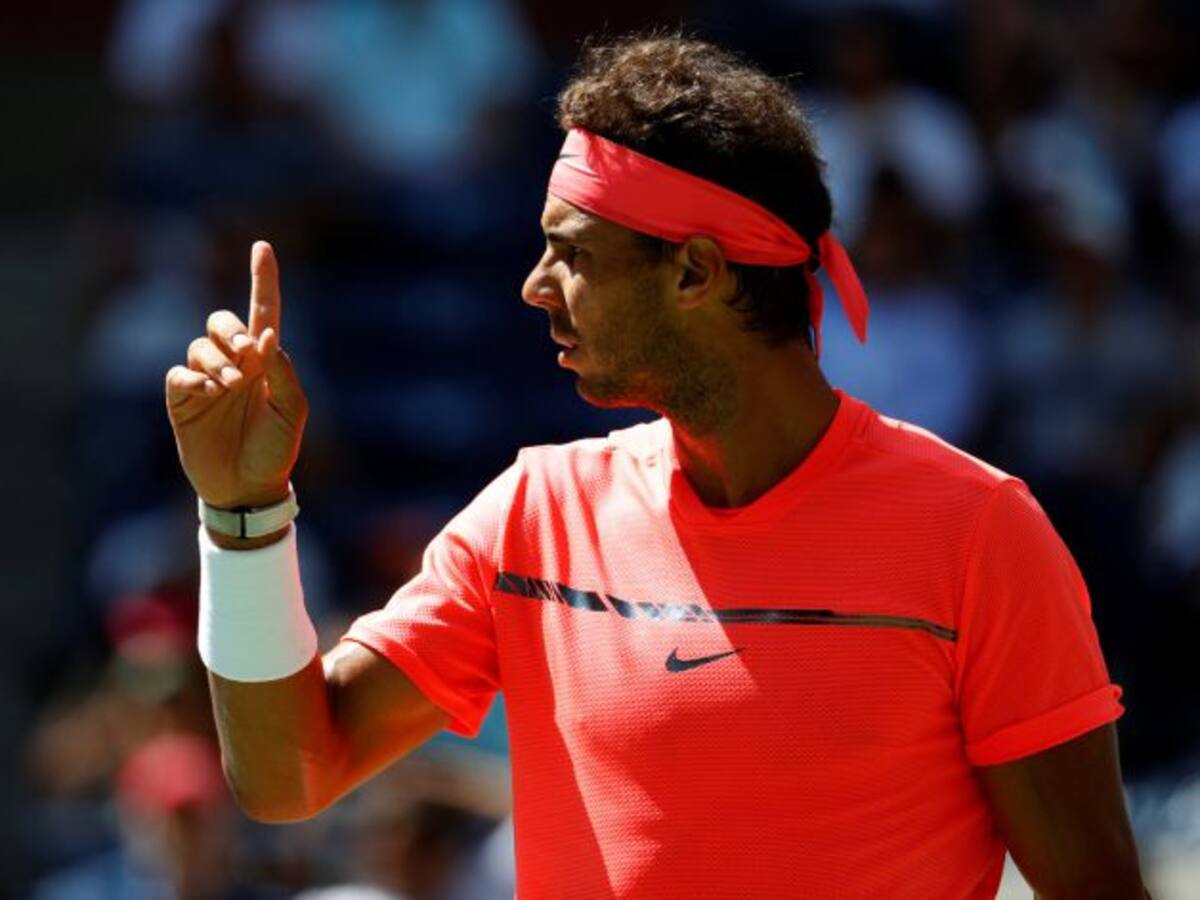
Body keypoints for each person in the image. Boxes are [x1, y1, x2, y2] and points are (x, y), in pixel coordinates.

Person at [164, 35, 1146, 899]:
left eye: (573, 254)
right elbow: (289, 775)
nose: (535, 286)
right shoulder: (533, 514)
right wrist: (243, 514)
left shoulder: (977, 533)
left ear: (695, 272)